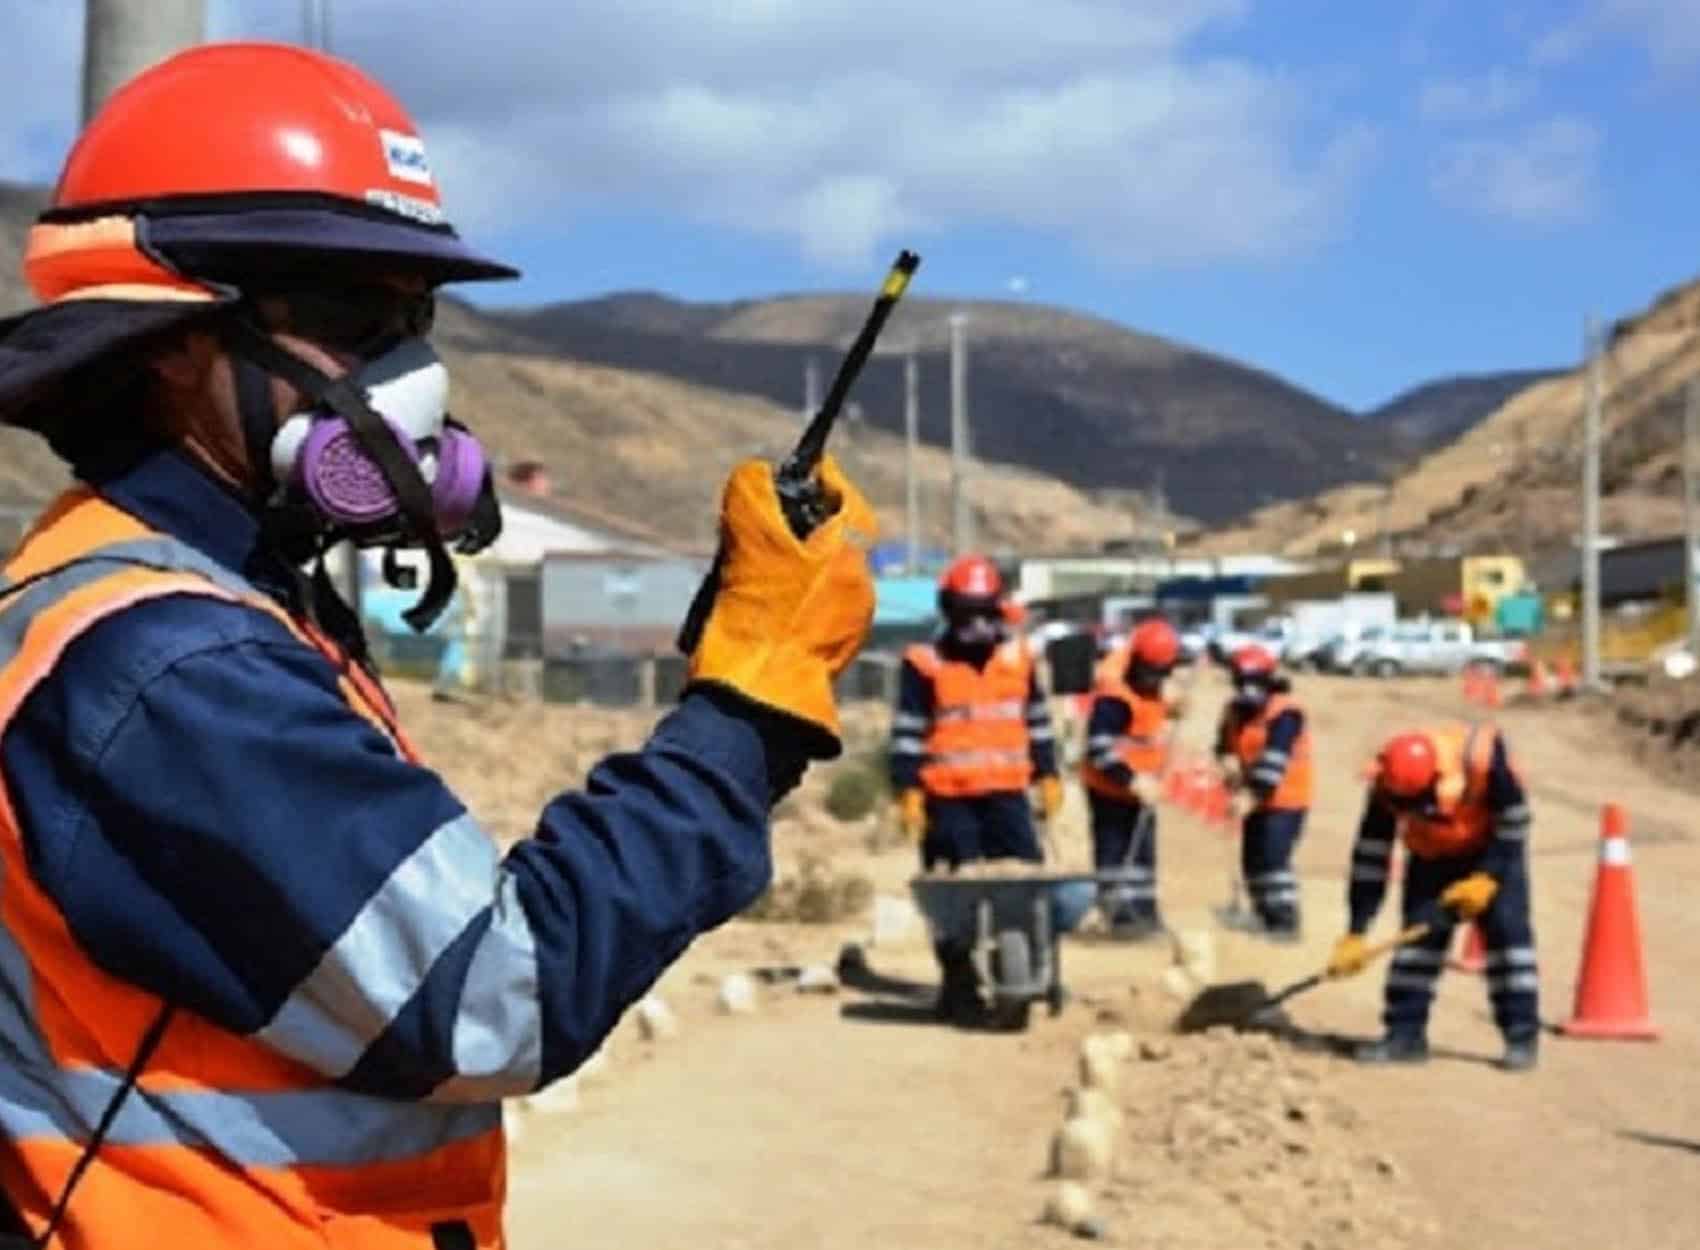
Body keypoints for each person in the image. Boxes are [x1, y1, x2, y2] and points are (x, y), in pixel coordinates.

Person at [0, 42, 877, 1248]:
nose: (410, 376)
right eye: (354, 320)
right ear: (169, 344)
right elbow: (500, 988)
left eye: (413, 319)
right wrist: (749, 699)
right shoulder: (169, 664)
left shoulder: (205, 603)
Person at [889, 555, 1060, 1021]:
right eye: (967, 613)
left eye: (986, 611)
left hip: (1008, 795)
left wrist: (1048, 773)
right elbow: (907, 731)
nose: (978, 624)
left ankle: (1026, 970)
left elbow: (1038, 722)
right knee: (952, 895)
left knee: (1024, 885)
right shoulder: (924, 664)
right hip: (948, 798)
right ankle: (959, 984)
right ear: (950, 610)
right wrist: (908, 790)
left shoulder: (1018, 658)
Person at [1327, 723, 1539, 1072]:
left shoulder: (1481, 758)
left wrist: (1488, 877)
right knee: (1417, 944)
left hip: (1492, 850)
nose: (1412, 811)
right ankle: (1404, 1036)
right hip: (1430, 858)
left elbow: (1514, 820)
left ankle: (1521, 1037)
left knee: (1508, 943)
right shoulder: (1387, 786)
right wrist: (1356, 929)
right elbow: (1371, 856)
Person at [1079, 617, 1182, 940]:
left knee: (1143, 855)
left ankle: (1144, 913)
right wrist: (1131, 780)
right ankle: (1118, 917)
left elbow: (1151, 731)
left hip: (1143, 791)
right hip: (1110, 788)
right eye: (1149, 673)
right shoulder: (1115, 696)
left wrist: (1175, 710)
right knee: (1114, 852)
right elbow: (1098, 747)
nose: (1154, 680)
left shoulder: (1155, 690)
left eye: (1160, 674)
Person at [1214, 644, 1311, 941]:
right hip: (1254, 799)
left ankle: (1284, 922)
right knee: (1252, 859)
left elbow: (1274, 760)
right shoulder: (1234, 711)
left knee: (1272, 858)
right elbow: (1222, 745)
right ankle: (1264, 915)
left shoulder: (1286, 714)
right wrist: (1227, 760)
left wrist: (1249, 796)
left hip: (1286, 799)